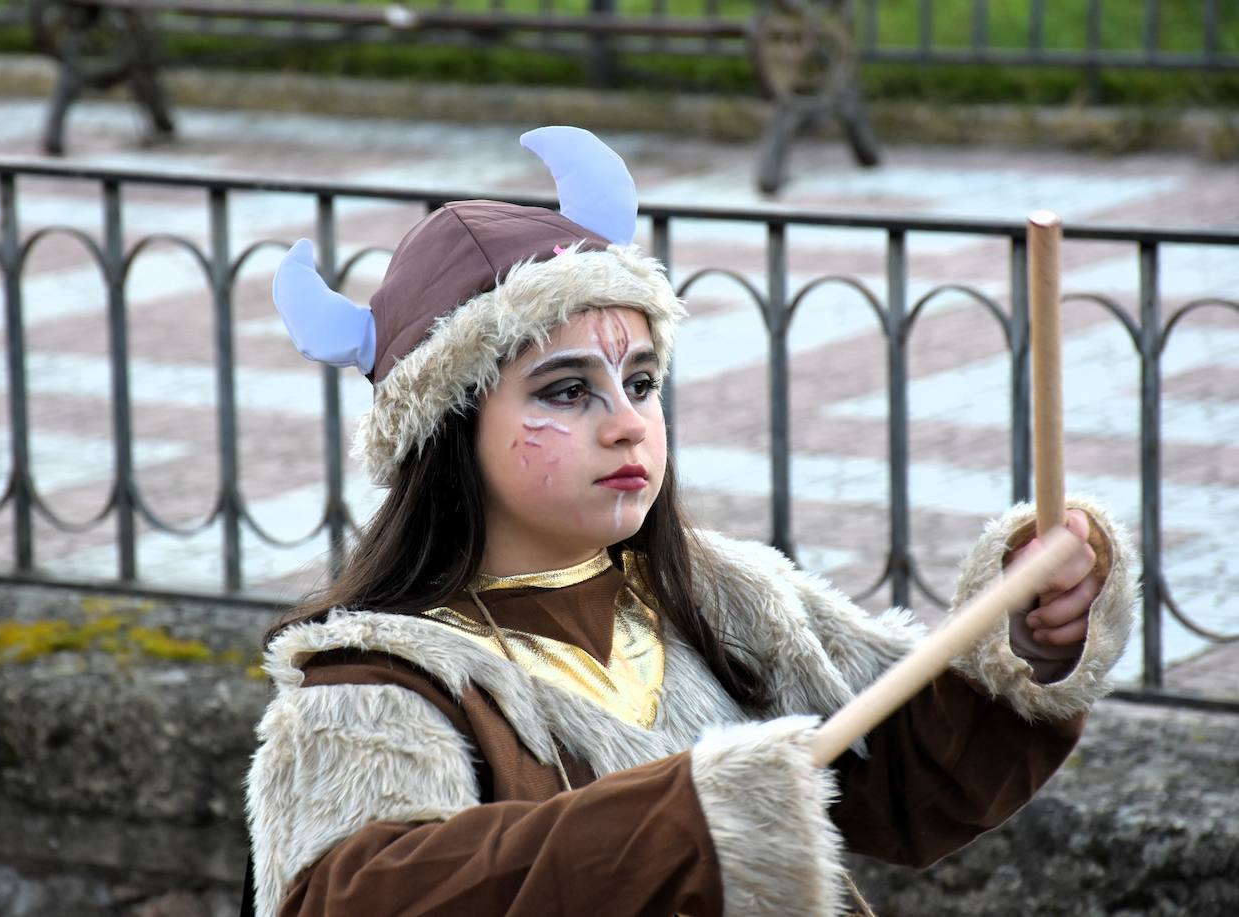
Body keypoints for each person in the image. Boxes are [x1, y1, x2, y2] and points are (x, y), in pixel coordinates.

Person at [244, 127, 1136, 916]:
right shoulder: (373, 686)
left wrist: (1027, 643)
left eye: (639, 382)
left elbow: (909, 780)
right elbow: (360, 895)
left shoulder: (725, 596)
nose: (628, 421)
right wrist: (692, 817)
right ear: (450, 431)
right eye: (566, 391)